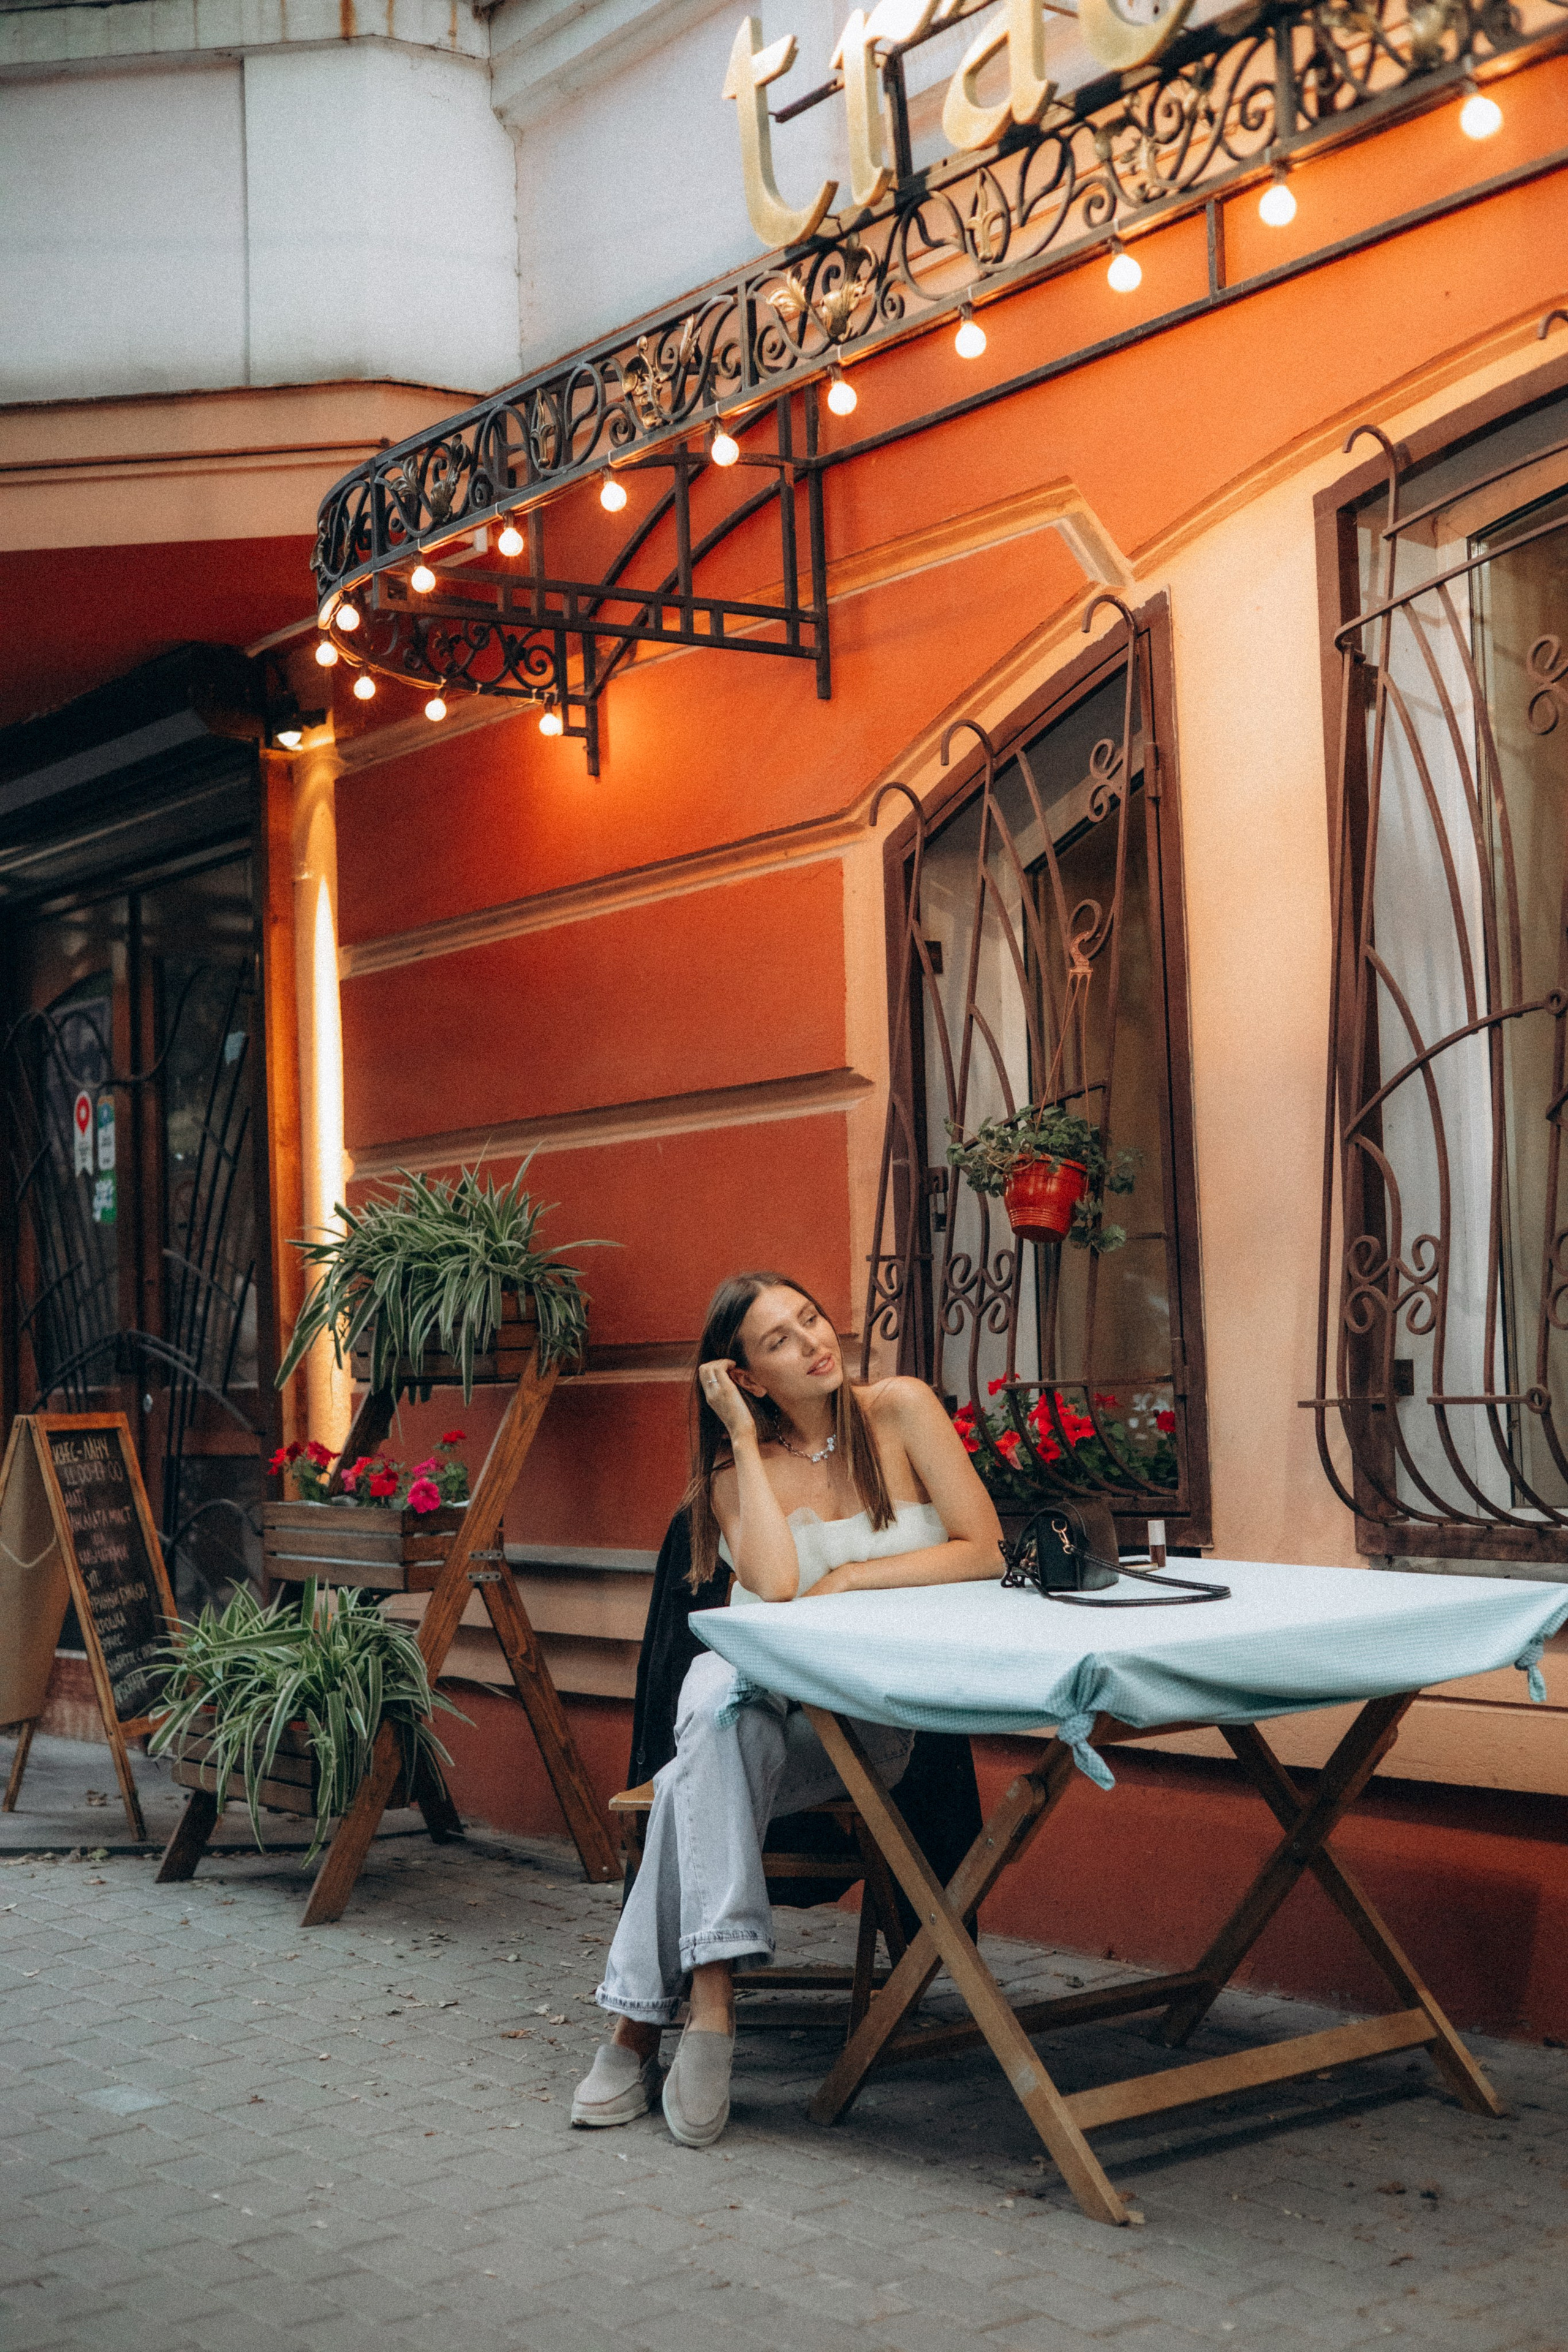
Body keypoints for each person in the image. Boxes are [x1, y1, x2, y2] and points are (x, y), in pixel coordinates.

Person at [571, 1269, 1005, 2148]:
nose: (813, 1341)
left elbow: (986, 1548)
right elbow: (769, 1587)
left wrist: (849, 1579)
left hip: (871, 1727)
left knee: (706, 1735)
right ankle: (713, 2003)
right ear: (748, 1377)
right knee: (721, 1708)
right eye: (778, 1341)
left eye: (809, 1319)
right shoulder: (735, 1475)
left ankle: (639, 2026)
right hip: (769, 1720)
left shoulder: (900, 1409)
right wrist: (738, 1435)